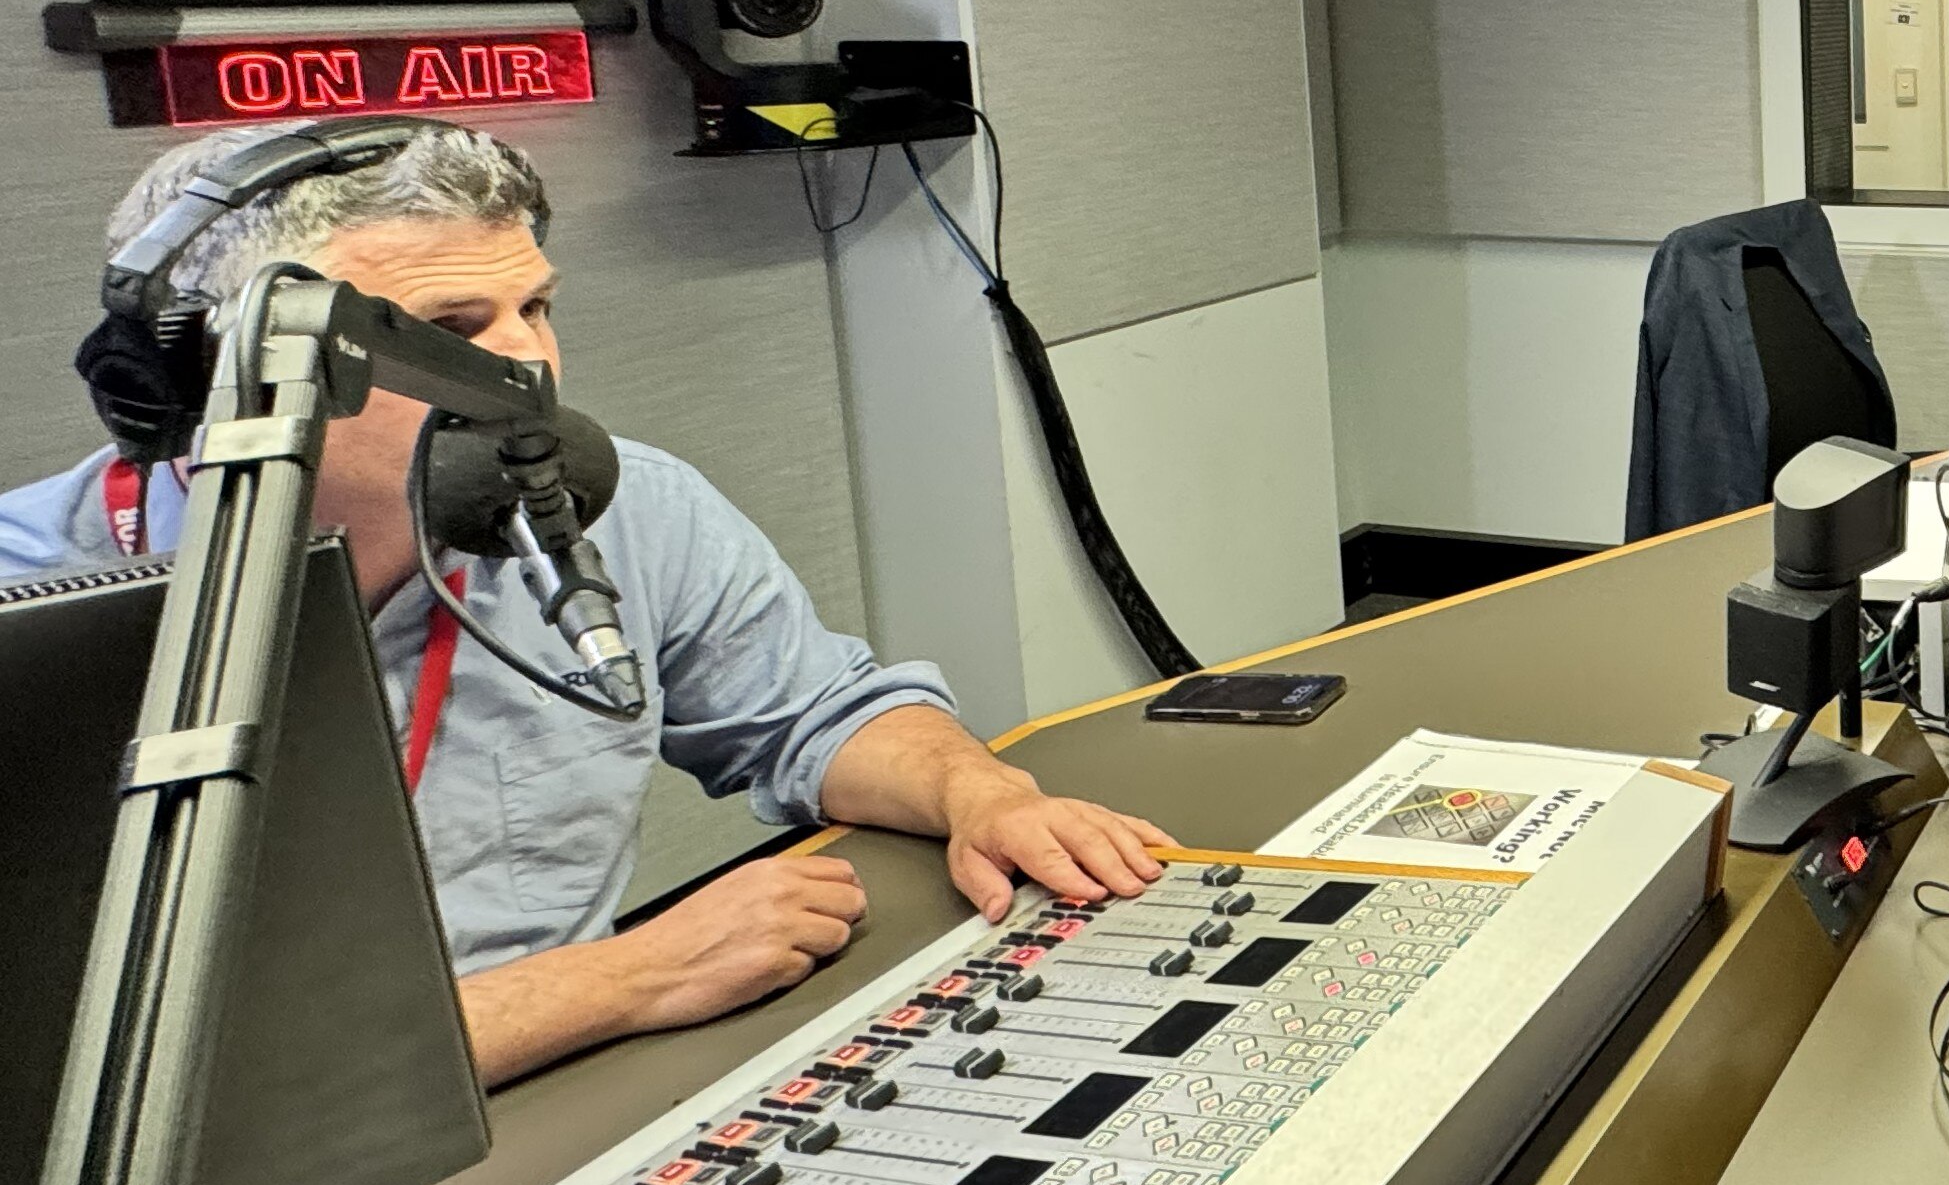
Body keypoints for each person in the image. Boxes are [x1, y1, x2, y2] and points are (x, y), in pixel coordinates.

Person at [0, 122, 1169, 1085]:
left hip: (561, 1094)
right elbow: (90, 1103)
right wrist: (627, 977)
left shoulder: (619, 508)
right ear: (220, 370)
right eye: (454, 332)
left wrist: (976, 787)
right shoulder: (31, 602)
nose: (532, 373)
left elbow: (812, 714)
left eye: (535, 310)